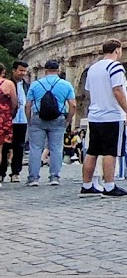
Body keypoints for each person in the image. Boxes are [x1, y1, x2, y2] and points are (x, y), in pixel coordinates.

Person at [80, 40, 127, 197]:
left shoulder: (93, 68)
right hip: (112, 115)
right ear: (117, 50)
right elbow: (117, 90)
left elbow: (89, 90)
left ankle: (87, 185)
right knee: (110, 152)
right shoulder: (115, 66)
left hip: (95, 115)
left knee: (92, 151)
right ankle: (109, 186)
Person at [25, 59, 77, 187]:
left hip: (38, 118)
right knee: (56, 148)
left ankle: (34, 178)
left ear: (45, 70)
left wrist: (29, 119)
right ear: (58, 70)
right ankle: (54, 176)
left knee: (36, 148)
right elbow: (73, 104)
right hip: (58, 118)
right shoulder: (65, 85)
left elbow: (28, 105)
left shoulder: (35, 84)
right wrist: (69, 119)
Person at [1, 60, 29, 184]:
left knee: (19, 146)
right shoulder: (8, 83)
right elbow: (13, 102)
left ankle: (15, 172)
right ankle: (2, 172)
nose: (23, 73)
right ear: (14, 70)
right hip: (9, 119)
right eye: (21, 70)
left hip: (22, 119)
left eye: (25, 71)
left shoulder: (26, 85)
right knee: (5, 146)